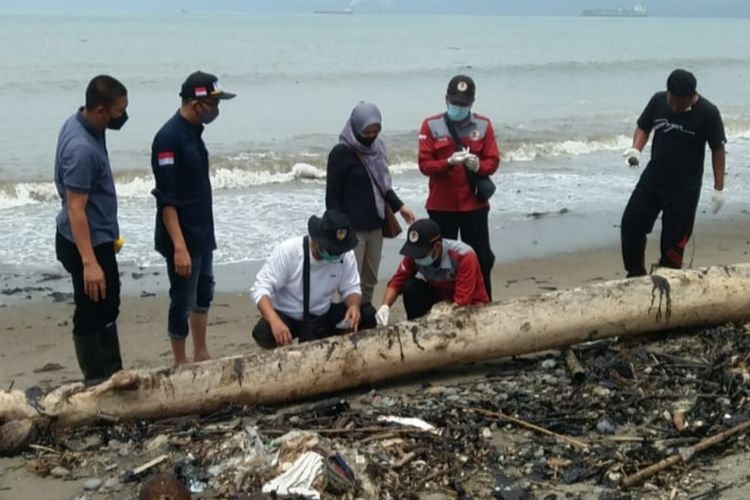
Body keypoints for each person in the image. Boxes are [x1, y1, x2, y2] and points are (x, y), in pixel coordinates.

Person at [150, 71, 236, 366]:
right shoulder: (168, 139)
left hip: (202, 233)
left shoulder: (195, 133)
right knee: (182, 299)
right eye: (213, 103)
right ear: (196, 102)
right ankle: (180, 360)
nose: (217, 109)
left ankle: (201, 351)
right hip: (181, 237)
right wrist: (179, 247)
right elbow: (167, 199)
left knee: (204, 293)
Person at [54, 75, 129, 385]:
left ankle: (113, 371)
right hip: (84, 241)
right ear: (100, 111)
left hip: (99, 236)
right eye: (119, 111)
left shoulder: (86, 123)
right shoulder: (81, 147)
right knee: (92, 308)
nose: (123, 116)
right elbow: (75, 208)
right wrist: (89, 263)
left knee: (109, 302)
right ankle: (97, 379)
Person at [621, 69, 726, 277]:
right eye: (671, 100)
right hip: (653, 180)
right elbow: (643, 127)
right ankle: (636, 275)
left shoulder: (708, 113)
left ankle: (667, 284)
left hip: (685, 190)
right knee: (631, 225)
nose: (673, 106)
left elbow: (718, 149)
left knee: (672, 248)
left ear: (690, 96)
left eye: (678, 102)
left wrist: (718, 188)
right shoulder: (659, 101)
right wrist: (636, 149)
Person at [418, 74, 499, 300]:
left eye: (463, 104)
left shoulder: (483, 125)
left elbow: (493, 161)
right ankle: (444, 304)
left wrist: (478, 166)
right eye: (455, 103)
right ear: (446, 99)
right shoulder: (431, 125)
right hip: (442, 204)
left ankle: (484, 303)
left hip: (473, 204)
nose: (458, 107)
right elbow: (424, 165)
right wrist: (447, 163)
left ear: (472, 103)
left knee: (482, 258)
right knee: (440, 259)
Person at [326, 101, 416, 304]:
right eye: (366, 132)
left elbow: (384, 187)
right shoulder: (340, 153)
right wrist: (337, 229)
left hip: (376, 225)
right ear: (356, 127)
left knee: (370, 278)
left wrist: (400, 207)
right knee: (350, 279)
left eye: (376, 131)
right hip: (352, 229)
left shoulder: (378, 148)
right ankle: (348, 319)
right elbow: (332, 197)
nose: (371, 137)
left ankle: (364, 315)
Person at [250, 210, 376, 349]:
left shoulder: (345, 255)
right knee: (263, 333)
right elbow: (261, 289)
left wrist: (354, 306)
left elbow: (351, 287)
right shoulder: (288, 251)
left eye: (338, 251)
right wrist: (274, 321)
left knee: (367, 314)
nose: (335, 255)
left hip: (322, 314)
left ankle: (343, 347)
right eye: (331, 250)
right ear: (316, 241)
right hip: (289, 314)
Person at [375, 219, 489, 326]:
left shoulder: (464, 256)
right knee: (411, 287)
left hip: (471, 306)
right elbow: (397, 281)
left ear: (437, 247)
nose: (417, 258)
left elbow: (463, 301)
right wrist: (385, 305)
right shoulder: (414, 256)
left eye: (422, 254)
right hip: (439, 302)